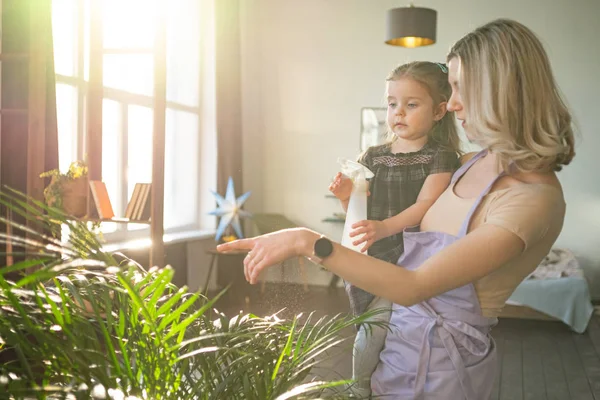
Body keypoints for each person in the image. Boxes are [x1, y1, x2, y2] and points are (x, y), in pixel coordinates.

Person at [218, 18, 575, 399]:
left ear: (503, 91)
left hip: (440, 372)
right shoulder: (472, 160)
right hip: (400, 348)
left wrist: (307, 242)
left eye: (461, 88)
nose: (452, 104)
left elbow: (414, 286)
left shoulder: (531, 198)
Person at [328, 61, 461, 395]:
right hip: (376, 255)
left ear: (439, 110)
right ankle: (359, 389)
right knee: (372, 330)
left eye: (411, 104)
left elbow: (424, 205)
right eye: (392, 104)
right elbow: (359, 212)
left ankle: (383, 386)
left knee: (398, 332)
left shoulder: (441, 156)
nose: (398, 112)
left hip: (415, 257)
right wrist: (346, 197)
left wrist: (383, 227)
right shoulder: (372, 156)